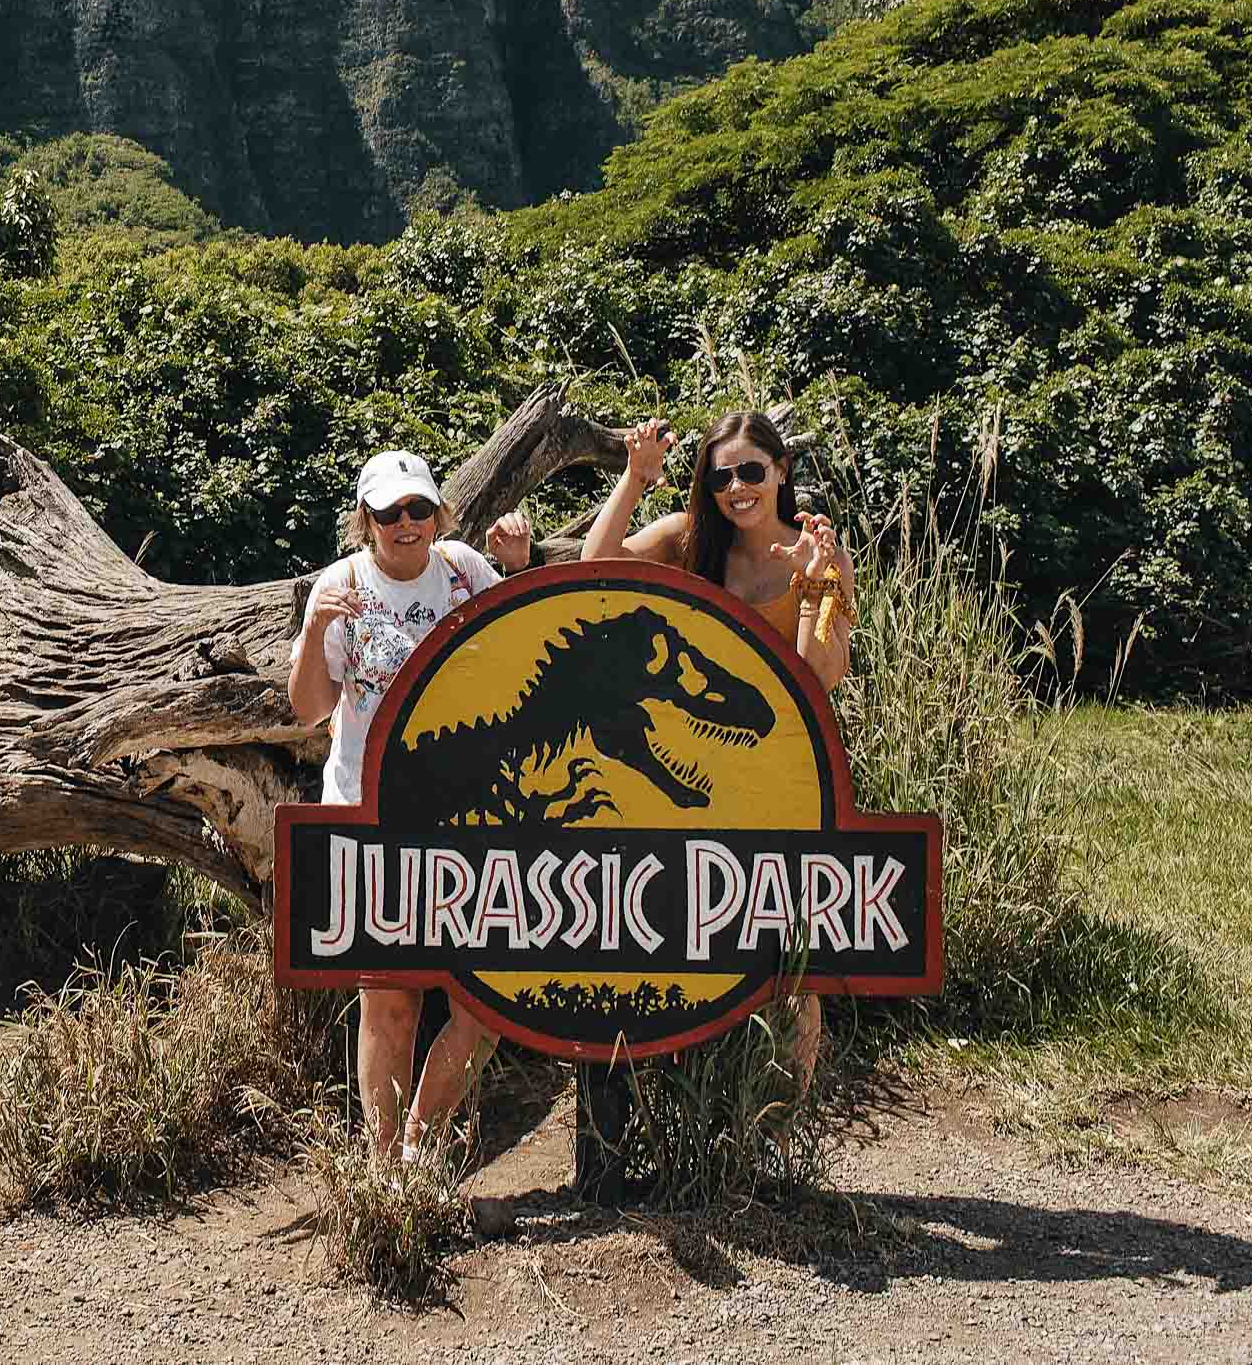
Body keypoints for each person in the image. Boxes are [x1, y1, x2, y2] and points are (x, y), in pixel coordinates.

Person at [579, 409, 854, 1084]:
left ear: (781, 471)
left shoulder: (821, 553)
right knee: (682, 937)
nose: (737, 488)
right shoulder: (689, 540)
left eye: (751, 471)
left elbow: (817, 675)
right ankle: (685, 1102)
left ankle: (781, 1116)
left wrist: (818, 582)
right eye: (721, 475)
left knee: (789, 957)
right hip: (699, 776)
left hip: (787, 775)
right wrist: (636, 478)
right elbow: (595, 564)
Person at [289, 448, 532, 1163]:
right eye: (390, 512)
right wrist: (310, 632)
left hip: (471, 817)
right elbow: (309, 709)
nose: (406, 523)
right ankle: (385, 1169)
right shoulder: (342, 584)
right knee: (389, 998)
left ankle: (420, 1144)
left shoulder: (463, 570)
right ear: (365, 519)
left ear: (438, 513)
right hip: (373, 813)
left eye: (418, 508)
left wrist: (517, 572)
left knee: (485, 1000)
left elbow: (520, 655)